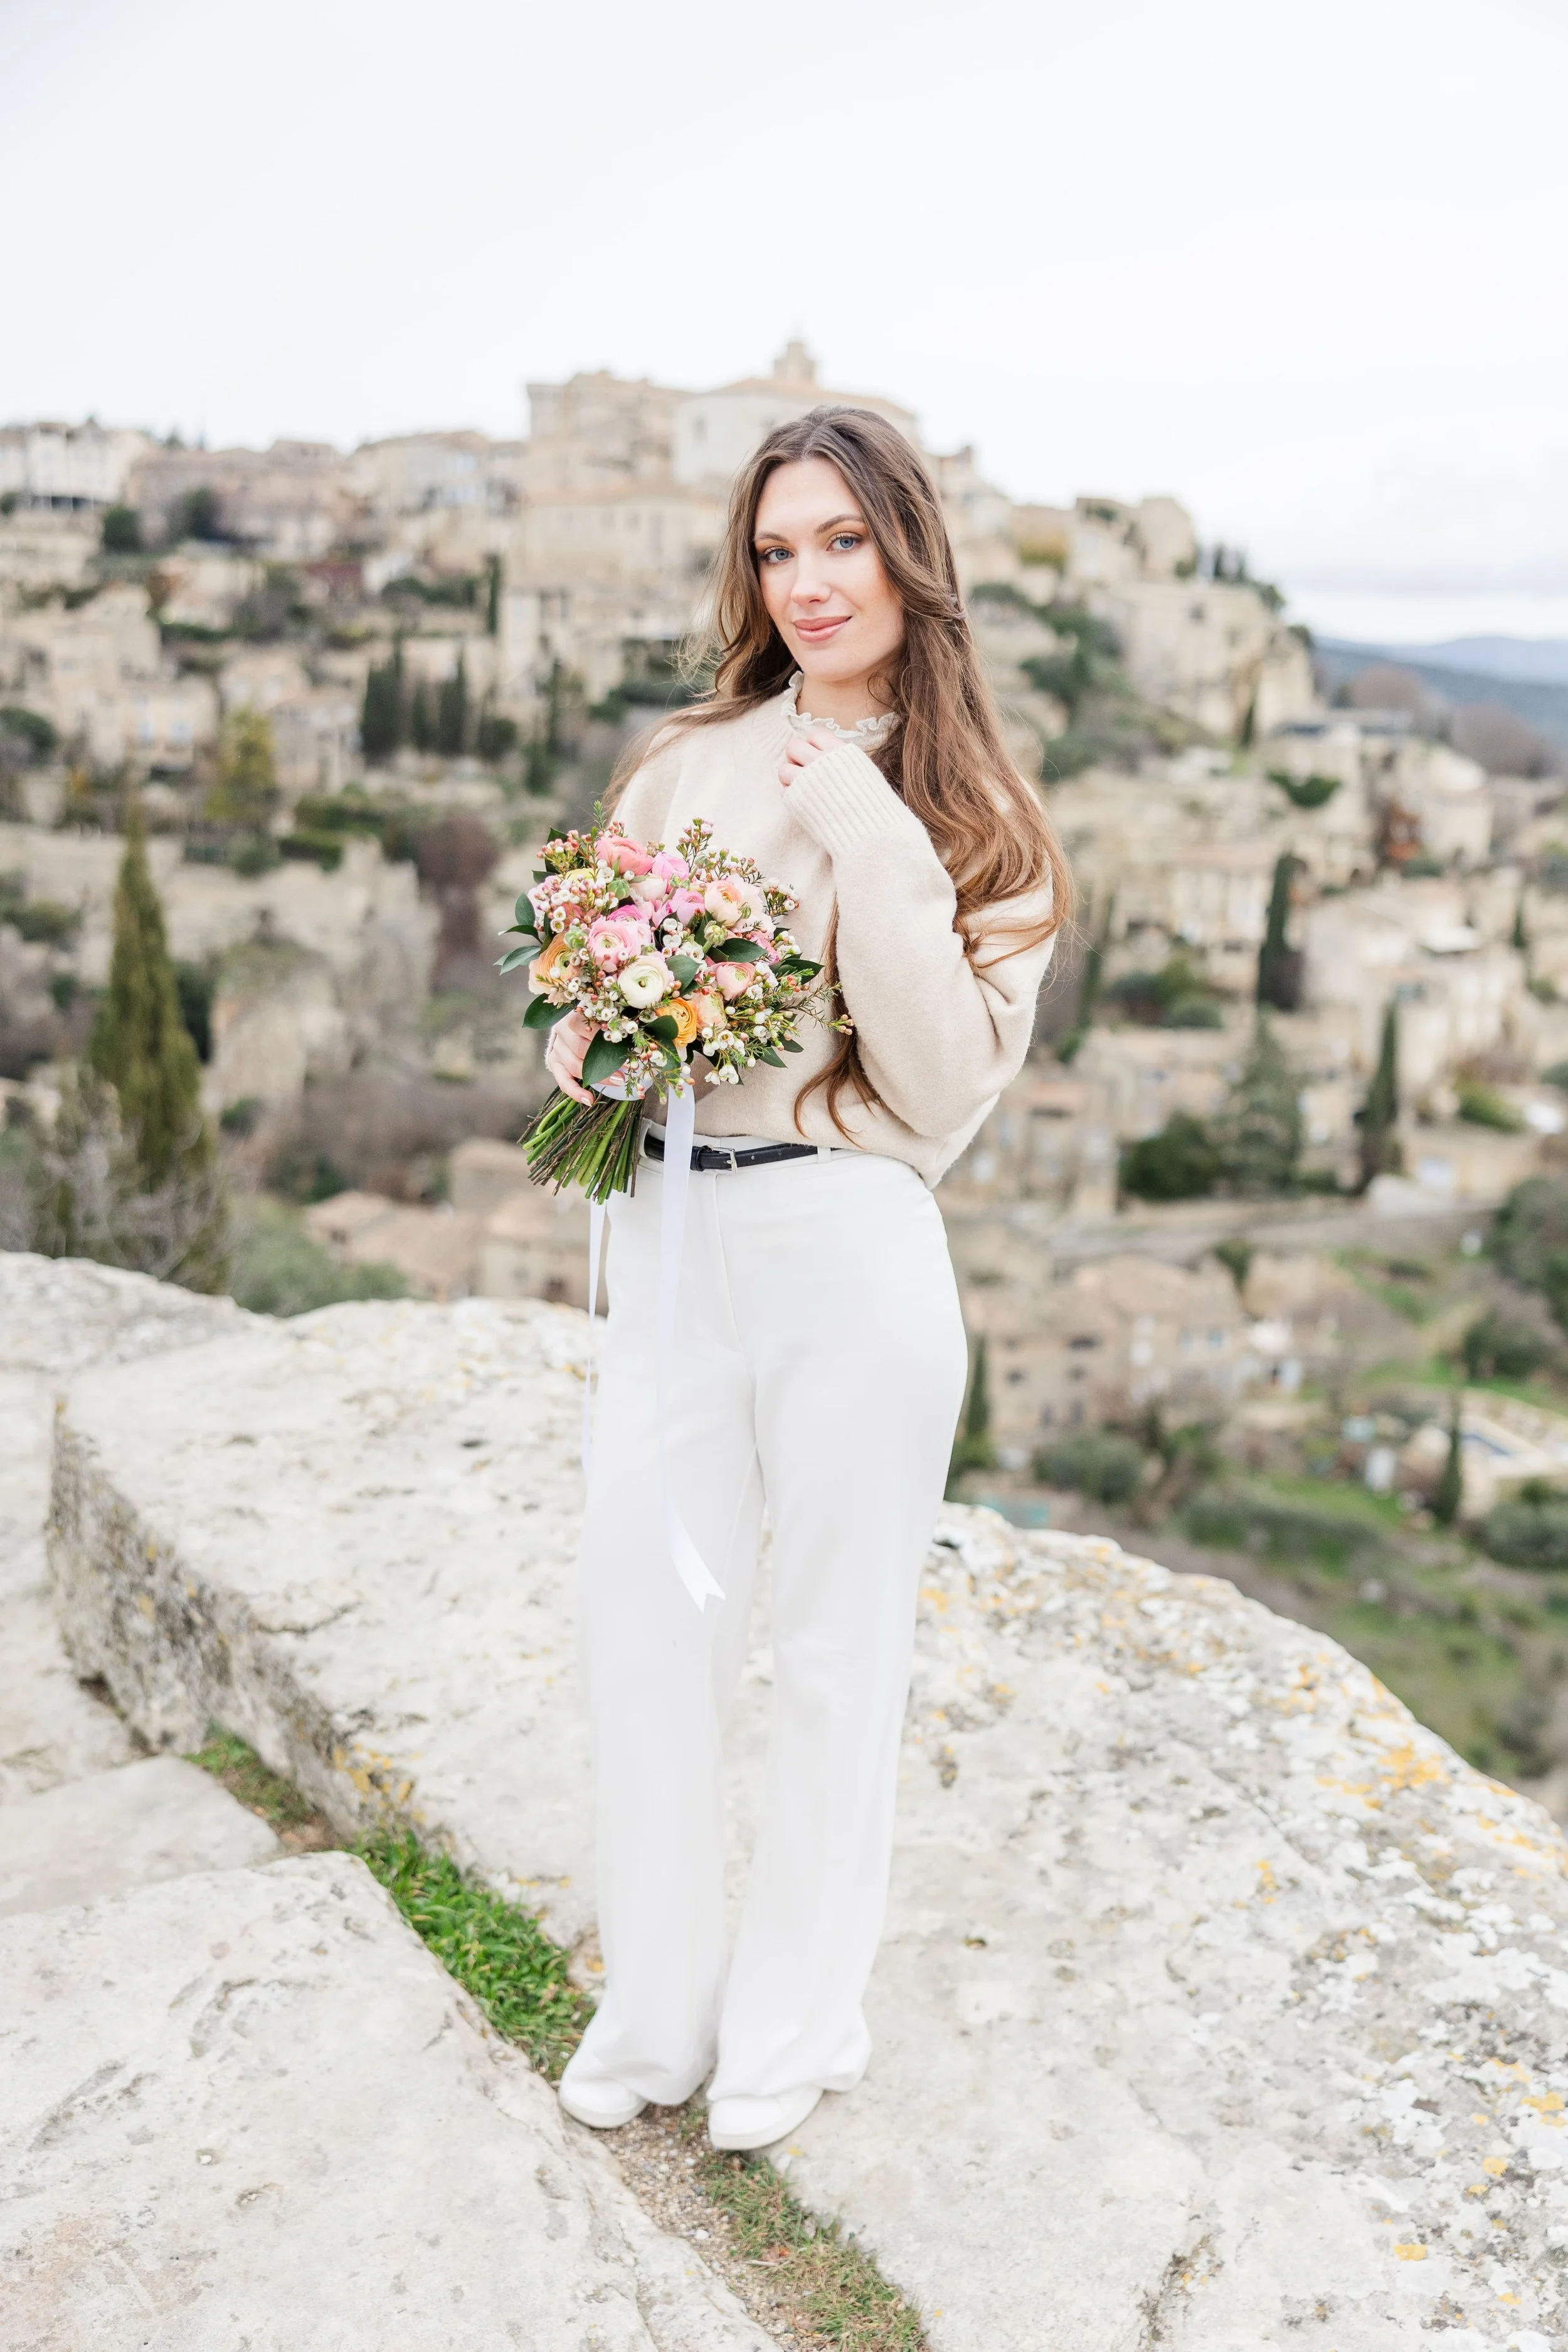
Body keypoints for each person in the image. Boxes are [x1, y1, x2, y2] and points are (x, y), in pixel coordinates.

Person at [549, 405, 1069, 2152]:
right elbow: (596, 1017)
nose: (808, 580)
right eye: (777, 548)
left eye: (840, 540)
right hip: (672, 1229)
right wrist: (599, 1044)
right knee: (645, 1619)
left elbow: (933, 1086)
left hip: (850, 1246)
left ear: (906, 552)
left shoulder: (986, 821)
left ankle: (792, 2025)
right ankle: (660, 2006)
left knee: (839, 1649)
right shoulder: (681, 763)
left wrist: (869, 830)